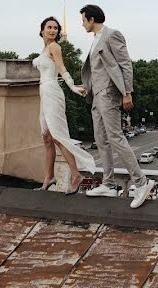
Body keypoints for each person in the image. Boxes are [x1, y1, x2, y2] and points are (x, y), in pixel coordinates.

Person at [77, 4, 156, 209]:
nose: (82, 24)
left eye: (84, 20)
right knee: (101, 139)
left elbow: (125, 64)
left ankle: (141, 183)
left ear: (91, 19)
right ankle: (108, 183)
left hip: (109, 94)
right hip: (96, 95)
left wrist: (127, 92)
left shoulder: (112, 35)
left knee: (115, 137)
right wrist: (87, 88)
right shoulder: (95, 40)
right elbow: (97, 70)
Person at [31, 16, 97, 194]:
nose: (53, 30)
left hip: (52, 92)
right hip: (44, 94)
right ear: (42, 30)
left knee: (58, 136)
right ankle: (49, 177)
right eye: (49, 27)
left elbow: (61, 68)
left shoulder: (54, 47)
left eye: (55, 28)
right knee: (46, 138)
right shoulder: (45, 48)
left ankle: (75, 175)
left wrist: (73, 87)